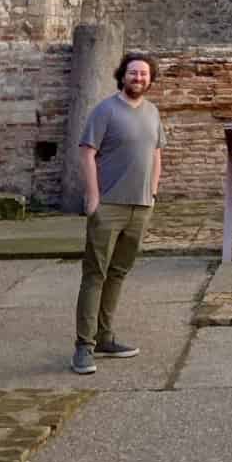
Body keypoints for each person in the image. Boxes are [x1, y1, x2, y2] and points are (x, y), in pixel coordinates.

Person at [71, 51, 165, 375]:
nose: (138, 78)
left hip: (140, 206)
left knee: (119, 273)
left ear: (150, 79)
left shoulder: (152, 113)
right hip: (108, 206)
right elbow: (87, 153)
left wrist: (152, 192)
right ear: (122, 75)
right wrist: (93, 196)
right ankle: (83, 347)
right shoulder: (105, 110)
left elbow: (156, 154)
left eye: (144, 74)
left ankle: (105, 337)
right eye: (133, 73)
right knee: (95, 274)